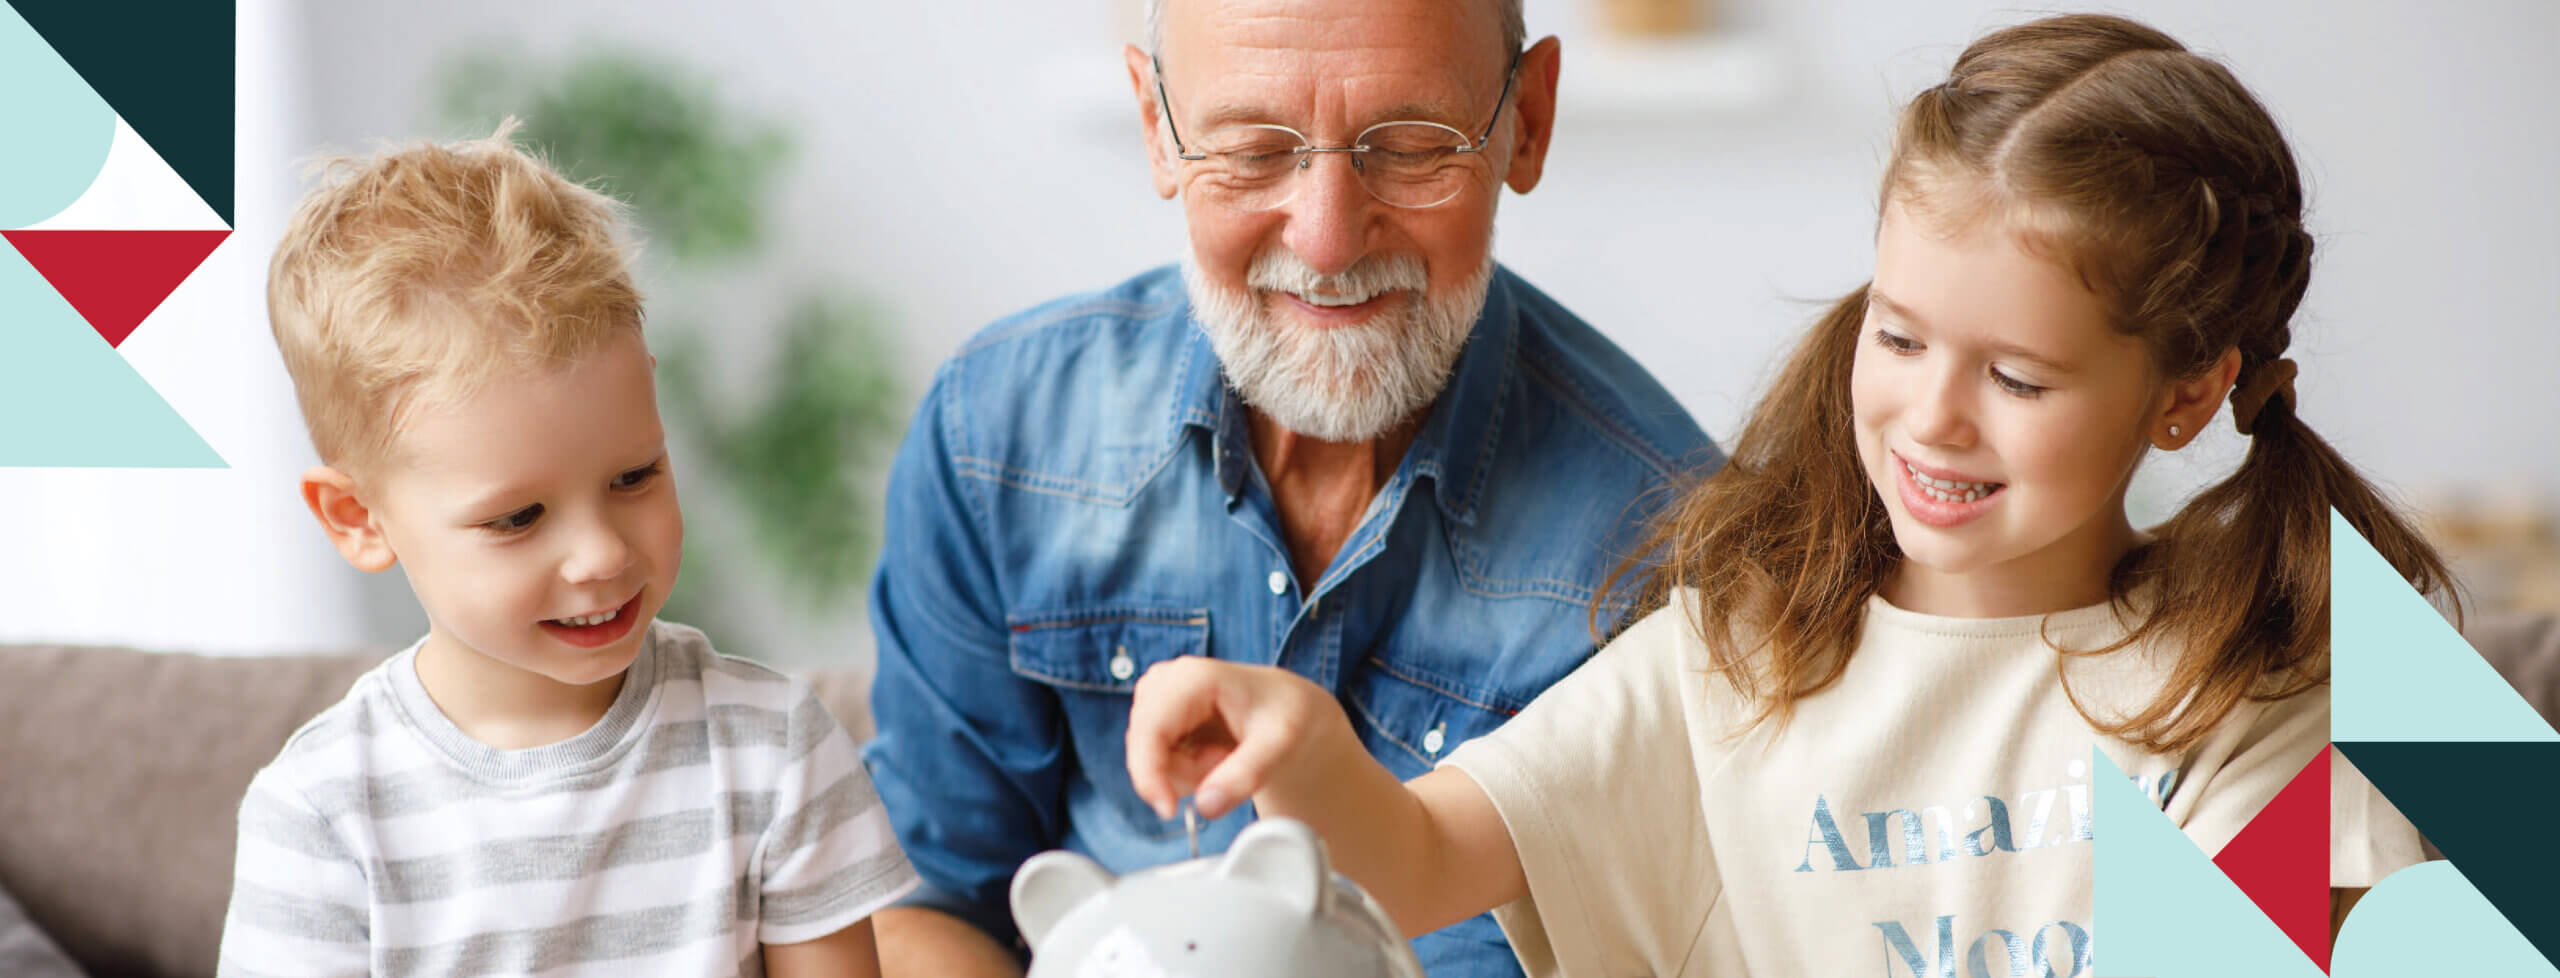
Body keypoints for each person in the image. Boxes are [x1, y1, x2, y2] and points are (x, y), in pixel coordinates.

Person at [1124, 14, 2447, 976]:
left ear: (2185, 391)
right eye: (1903, 335)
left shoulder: (2251, 683)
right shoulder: (1733, 659)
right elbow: (1414, 857)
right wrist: (1303, 752)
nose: (1932, 414)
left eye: (2021, 379)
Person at [858, 0, 1717, 973]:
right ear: (1157, 127)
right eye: (1254, 149)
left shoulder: (1674, 545)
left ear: (1526, 122)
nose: (1326, 241)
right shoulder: (996, 436)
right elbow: (926, 901)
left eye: (1408, 143)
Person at [215, 123, 916, 977]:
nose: (600, 555)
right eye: (517, 519)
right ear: (358, 517)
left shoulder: (776, 750)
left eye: (634, 475)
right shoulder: (321, 814)